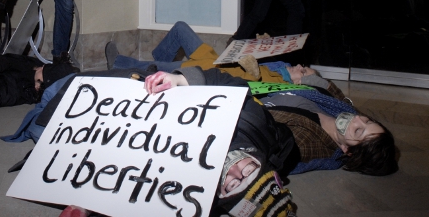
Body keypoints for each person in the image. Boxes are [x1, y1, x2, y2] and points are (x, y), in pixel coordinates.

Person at [5, 66, 297, 217]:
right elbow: (229, 83)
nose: (233, 172)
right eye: (247, 172)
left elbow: (129, 187)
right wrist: (179, 79)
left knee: (38, 126)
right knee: (49, 85)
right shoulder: (254, 124)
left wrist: (83, 204)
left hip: (66, 129)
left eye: (233, 185)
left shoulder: (190, 195)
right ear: (263, 167)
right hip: (87, 89)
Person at [144, 67, 398, 176]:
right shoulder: (336, 106)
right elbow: (329, 89)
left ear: (347, 151)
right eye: (366, 119)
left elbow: (259, 128)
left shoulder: (307, 142)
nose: (355, 119)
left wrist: (189, 82)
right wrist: (309, 75)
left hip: (230, 98)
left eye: (358, 129)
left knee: (163, 76)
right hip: (256, 86)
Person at [107, 20, 319, 83]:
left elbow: (244, 85)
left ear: (300, 82)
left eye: (303, 72)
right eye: (304, 66)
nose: (300, 67)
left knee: (167, 70)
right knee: (181, 28)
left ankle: (118, 64)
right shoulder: (280, 68)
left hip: (207, 70)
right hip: (213, 59)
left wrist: (253, 73)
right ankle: (159, 65)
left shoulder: (278, 84)